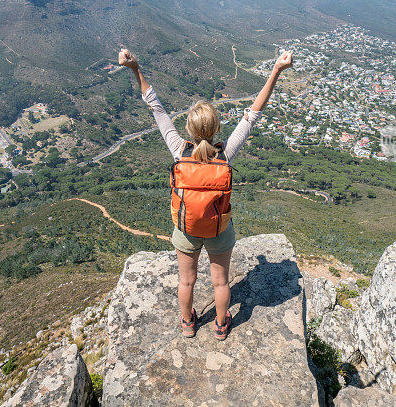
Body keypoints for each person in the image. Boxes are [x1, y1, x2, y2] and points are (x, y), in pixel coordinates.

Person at [119, 47, 293, 340]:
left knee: (186, 281)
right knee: (221, 282)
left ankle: (188, 323)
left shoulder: (178, 149)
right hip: (219, 229)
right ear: (216, 129)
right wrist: (276, 70)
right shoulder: (226, 154)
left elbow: (156, 108)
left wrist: (135, 68)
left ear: (189, 128)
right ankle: (222, 325)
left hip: (186, 228)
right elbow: (253, 114)